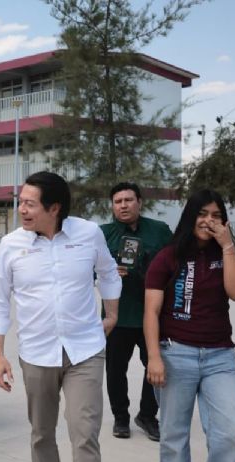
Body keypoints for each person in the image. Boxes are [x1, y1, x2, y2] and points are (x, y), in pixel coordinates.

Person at [0, 172, 121, 462]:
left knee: (85, 435)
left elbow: (108, 272)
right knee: (41, 432)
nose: (22, 209)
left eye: (30, 203)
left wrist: (110, 314)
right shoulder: (12, 245)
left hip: (84, 351)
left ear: (54, 208)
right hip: (36, 352)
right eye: (21, 201)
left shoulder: (88, 234)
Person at [144, 189, 235, 462]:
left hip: (220, 355)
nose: (209, 221)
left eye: (216, 215)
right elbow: (151, 311)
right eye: (202, 214)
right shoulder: (169, 256)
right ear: (190, 217)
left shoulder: (226, 253)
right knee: (174, 431)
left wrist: (228, 245)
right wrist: (154, 357)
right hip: (176, 352)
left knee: (232, 430)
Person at [100, 182, 172, 441]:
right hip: (116, 316)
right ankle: (121, 417)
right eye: (118, 201)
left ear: (139, 202)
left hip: (152, 313)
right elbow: (85, 270)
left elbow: (175, 265)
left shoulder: (160, 231)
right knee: (115, 370)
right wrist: (107, 273)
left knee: (154, 367)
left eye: (128, 200)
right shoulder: (102, 234)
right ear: (112, 206)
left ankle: (147, 415)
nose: (123, 205)